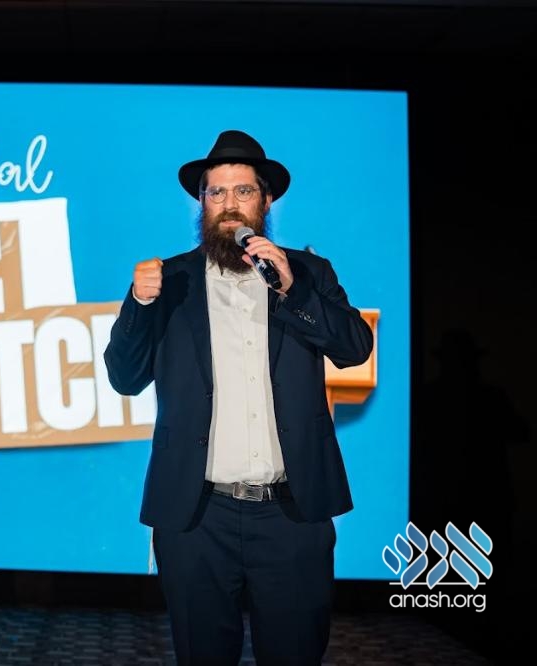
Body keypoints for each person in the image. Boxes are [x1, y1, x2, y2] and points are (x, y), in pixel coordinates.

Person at [104, 129, 373, 665]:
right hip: (197, 515)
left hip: (291, 513)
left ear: (266, 201)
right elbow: (125, 378)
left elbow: (354, 349)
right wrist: (138, 303)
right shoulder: (170, 280)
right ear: (202, 202)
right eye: (217, 192)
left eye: (243, 191)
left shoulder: (308, 272)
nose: (229, 205)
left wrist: (292, 290)